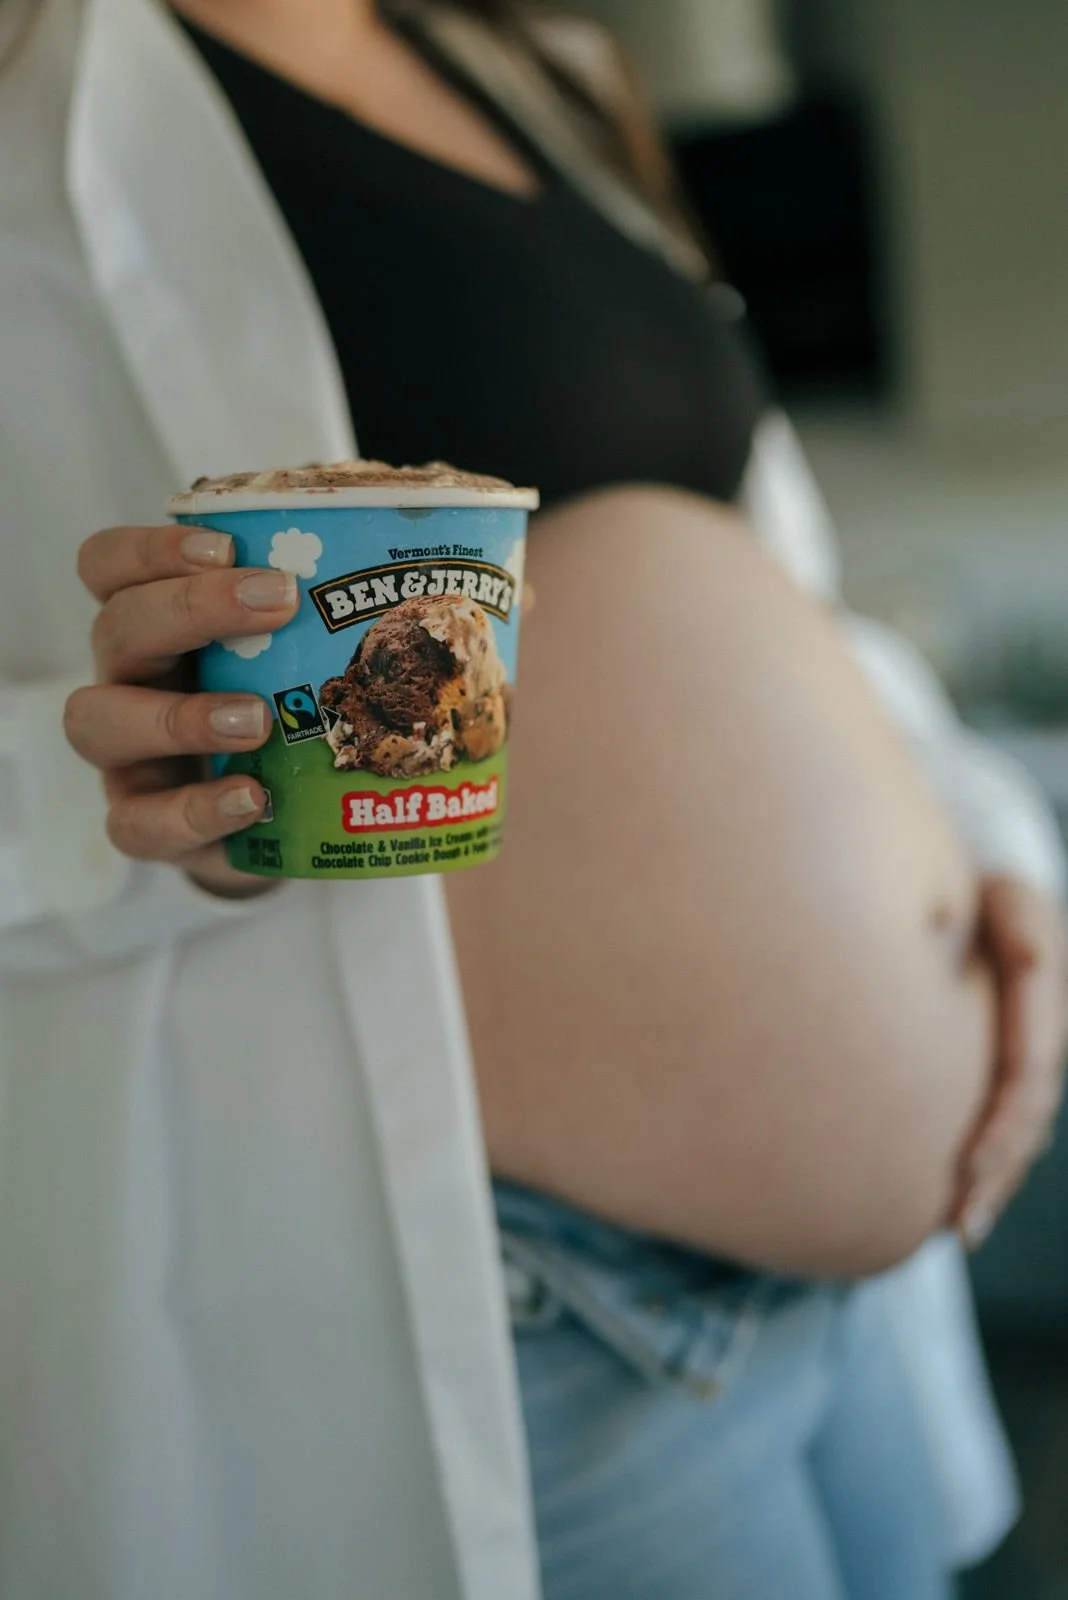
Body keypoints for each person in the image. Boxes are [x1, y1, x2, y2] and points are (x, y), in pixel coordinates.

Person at [1, 0, 1065, 1596]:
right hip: (523, 1305)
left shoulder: (534, 60)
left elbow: (776, 575)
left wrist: (980, 836)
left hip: (847, 1290)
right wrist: (96, 789)